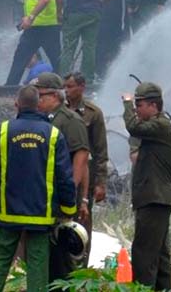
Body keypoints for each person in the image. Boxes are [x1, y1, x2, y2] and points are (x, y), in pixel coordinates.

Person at [0, 86, 77, 292]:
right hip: (40, 215)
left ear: (16, 104)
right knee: (38, 265)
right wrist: (68, 209)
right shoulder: (53, 134)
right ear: (38, 105)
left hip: (9, 210)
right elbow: (64, 176)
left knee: (0, 261)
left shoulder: (4, 130)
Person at [122, 82, 171, 290]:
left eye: (140, 105)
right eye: (135, 106)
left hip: (153, 198)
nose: (137, 110)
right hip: (158, 197)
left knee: (143, 254)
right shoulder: (160, 129)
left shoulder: (159, 125)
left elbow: (133, 127)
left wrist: (127, 104)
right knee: (159, 253)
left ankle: (143, 289)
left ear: (153, 105)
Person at [30, 72, 89, 284]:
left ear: (55, 96)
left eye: (40, 95)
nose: (37, 100)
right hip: (46, 196)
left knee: (61, 254)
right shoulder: (45, 120)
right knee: (48, 252)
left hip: (60, 198)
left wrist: (69, 194)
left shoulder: (70, 120)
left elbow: (81, 157)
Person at [63, 72, 108, 264]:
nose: (66, 90)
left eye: (70, 86)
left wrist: (100, 182)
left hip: (84, 177)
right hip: (63, 174)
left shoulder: (93, 113)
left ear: (82, 87)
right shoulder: (60, 110)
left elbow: (100, 150)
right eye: (65, 86)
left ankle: (81, 265)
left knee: (82, 222)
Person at [5, 0, 61, 85]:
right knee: (20, 58)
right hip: (34, 26)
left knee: (57, 60)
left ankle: (63, 86)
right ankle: (9, 87)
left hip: (47, 26)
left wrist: (30, 17)